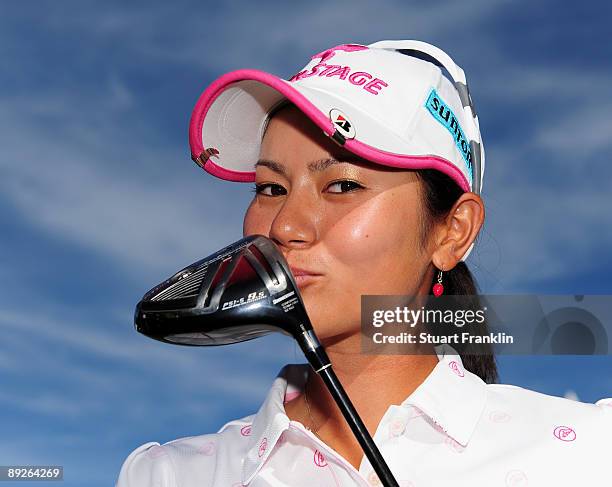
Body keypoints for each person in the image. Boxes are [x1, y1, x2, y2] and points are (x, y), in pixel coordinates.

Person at [116, 40, 612, 487]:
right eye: (270, 188)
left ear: (452, 230)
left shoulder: (591, 453)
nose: (285, 225)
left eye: (342, 185)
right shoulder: (168, 475)